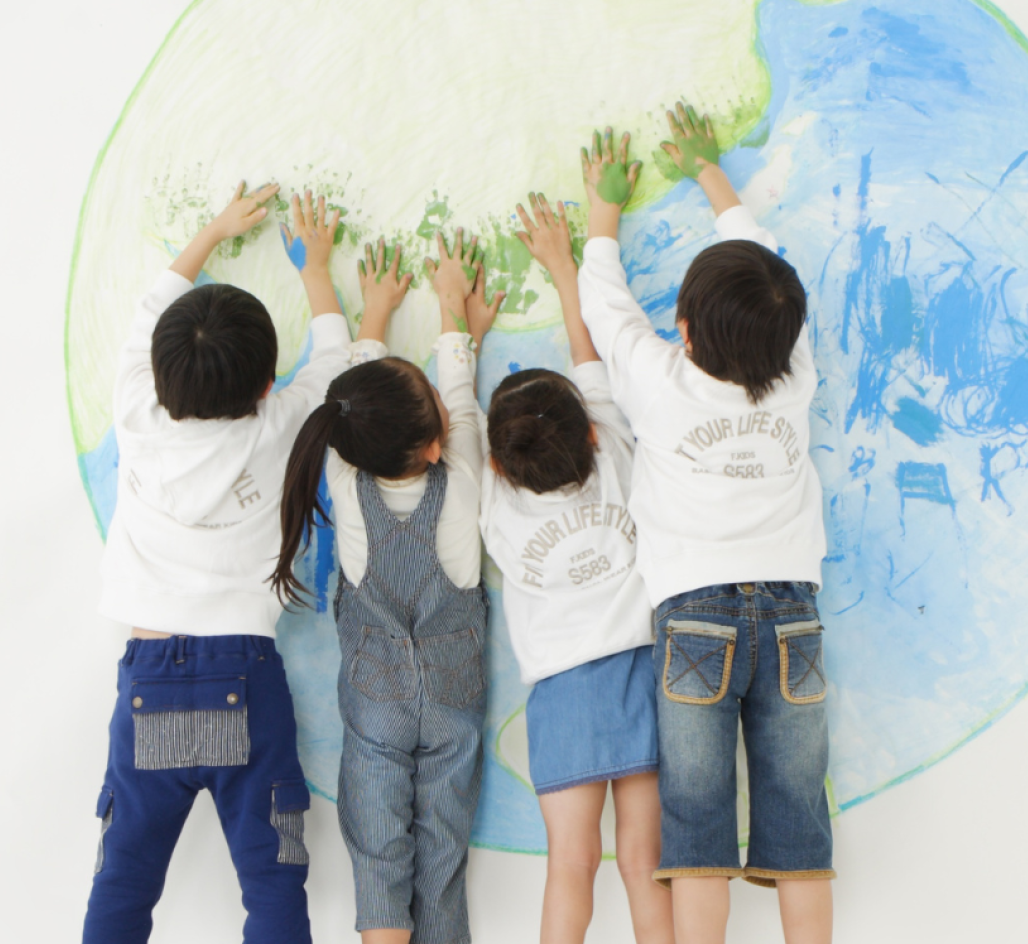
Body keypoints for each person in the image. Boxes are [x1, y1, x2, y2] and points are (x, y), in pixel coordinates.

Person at [576, 105, 834, 944]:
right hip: (792, 611)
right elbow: (774, 273)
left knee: (696, 823)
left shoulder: (657, 382)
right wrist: (714, 177)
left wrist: (604, 215)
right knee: (798, 814)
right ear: (786, 333)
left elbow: (607, 309)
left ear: (682, 331)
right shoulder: (794, 373)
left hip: (693, 618)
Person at [84, 184, 348, 944]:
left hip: (151, 678)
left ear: (164, 379)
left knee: (124, 883)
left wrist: (213, 231)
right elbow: (333, 359)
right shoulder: (283, 424)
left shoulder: (136, 413)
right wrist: (316, 268)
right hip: (247, 677)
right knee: (273, 886)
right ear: (266, 385)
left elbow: (145, 318)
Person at [271, 227, 503, 944]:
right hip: (454, 708)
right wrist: (452, 310)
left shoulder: (345, 478)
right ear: (435, 442)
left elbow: (354, 391)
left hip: (375, 713)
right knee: (442, 860)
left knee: (379, 857)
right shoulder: (461, 485)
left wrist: (372, 310)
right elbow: (462, 400)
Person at [479, 193, 673, 944]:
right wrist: (566, 270)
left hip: (560, 691)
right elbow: (588, 351)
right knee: (644, 860)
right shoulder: (618, 455)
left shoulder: (493, 502)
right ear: (592, 433)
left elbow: (461, 425)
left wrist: (461, 324)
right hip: (640, 671)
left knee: (571, 864)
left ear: (496, 464)